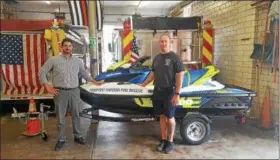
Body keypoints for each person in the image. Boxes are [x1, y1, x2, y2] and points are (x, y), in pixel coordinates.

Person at [39, 38, 103, 151]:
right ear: (61, 47)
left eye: (69, 46)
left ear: (72, 47)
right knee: (60, 117)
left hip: (74, 91)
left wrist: (95, 82)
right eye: (65, 46)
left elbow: (84, 73)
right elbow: (42, 72)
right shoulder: (54, 60)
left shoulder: (78, 61)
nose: (68, 48)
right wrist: (47, 86)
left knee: (76, 115)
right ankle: (61, 139)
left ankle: (78, 136)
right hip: (60, 92)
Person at [140, 34, 185, 154]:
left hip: (169, 91)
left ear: (170, 42)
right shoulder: (157, 58)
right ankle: (164, 140)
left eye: (165, 41)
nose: (163, 44)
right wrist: (143, 85)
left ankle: (170, 142)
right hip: (157, 91)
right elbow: (152, 74)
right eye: (161, 42)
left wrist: (177, 93)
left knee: (170, 118)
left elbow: (180, 76)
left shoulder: (175, 58)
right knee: (161, 117)